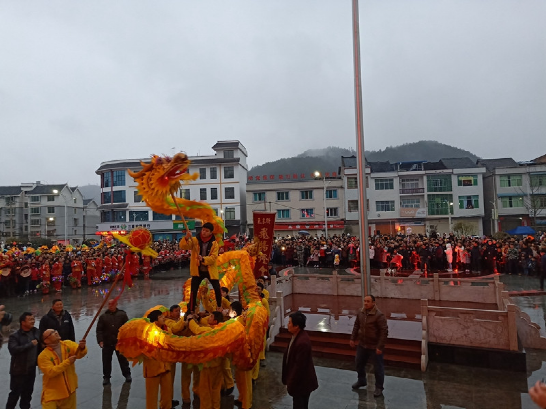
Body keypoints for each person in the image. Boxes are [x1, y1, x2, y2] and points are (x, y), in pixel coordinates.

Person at [38, 329, 87, 409]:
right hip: (52, 394)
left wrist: (82, 348)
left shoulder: (67, 344)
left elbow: (79, 354)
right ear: (46, 340)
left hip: (69, 391)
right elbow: (51, 372)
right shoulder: (43, 356)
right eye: (52, 333)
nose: (56, 332)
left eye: (55, 331)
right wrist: (67, 362)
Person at [350, 295, 388, 397]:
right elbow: (356, 325)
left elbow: (384, 332)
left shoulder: (379, 315)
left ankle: (379, 387)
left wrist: (380, 346)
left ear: (373, 303)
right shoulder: (360, 312)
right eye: (365, 301)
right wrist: (353, 338)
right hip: (362, 344)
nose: (366, 303)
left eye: (368, 301)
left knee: (378, 368)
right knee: (359, 363)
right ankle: (361, 380)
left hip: (374, 346)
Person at [179, 222, 221, 313]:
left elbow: (213, 258)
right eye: (203, 230)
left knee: (217, 288)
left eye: (206, 231)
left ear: (211, 232)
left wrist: (203, 259)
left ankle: (219, 307)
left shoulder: (214, 244)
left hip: (210, 270)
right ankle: (191, 310)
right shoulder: (195, 240)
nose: (204, 232)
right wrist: (186, 237)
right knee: (193, 290)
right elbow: (183, 246)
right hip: (197, 270)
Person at [282, 311, 318, 410]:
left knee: (300, 405)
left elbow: (299, 367)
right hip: (300, 383)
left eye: (289, 322)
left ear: (296, 326)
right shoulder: (296, 336)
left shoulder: (302, 343)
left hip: (301, 383)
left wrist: (290, 383)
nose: (287, 325)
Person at [6, 312, 40, 410]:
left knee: (28, 394)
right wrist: (30, 345)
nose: (33, 321)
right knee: (15, 394)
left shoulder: (36, 332)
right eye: (30, 320)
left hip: (31, 369)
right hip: (18, 370)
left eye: (33, 319)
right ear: (23, 322)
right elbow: (13, 350)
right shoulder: (15, 336)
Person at [96, 299, 132, 386]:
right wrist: (100, 340)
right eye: (109, 304)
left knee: (123, 360)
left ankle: (127, 374)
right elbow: (99, 330)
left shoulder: (122, 315)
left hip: (119, 342)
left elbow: (127, 327)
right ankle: (106, 377)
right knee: (106, 361)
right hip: (107, 342)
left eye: (112, 304)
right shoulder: (103, 317)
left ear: (116, 304)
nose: (110, 306)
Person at [143, 310, 173, 410]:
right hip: (152, 370)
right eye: (160, 317)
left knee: (167, 395)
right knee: (151, 397)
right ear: (155, 321)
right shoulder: (147, 333)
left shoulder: (167, 330)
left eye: (162, 316)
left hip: (165, 367)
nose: (163, 318)